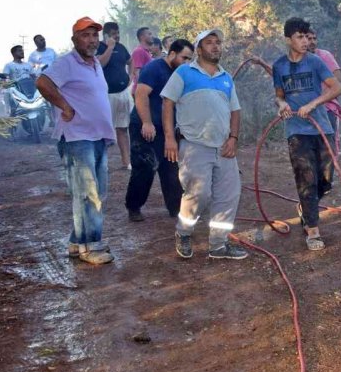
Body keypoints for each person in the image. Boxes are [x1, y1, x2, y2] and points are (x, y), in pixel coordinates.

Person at [36, 17, 116, 265]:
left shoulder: (94, 64)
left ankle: (76, 242)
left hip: (97, 136)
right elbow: (42, 82)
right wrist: (64, 106)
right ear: (74, 39)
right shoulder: (67, 63)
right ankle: (89, 247)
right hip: (77, 137)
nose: (92, 40)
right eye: (86, 35)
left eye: (95, 35)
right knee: (87, 193)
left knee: (97, 191)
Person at [161, 29, 247, 260]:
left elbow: (235, 111)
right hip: (194, 145)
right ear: (199, 49)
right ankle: (184, 232)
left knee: (229, 195)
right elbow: (167, 103)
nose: (215, 46)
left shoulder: (226, 78)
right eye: (209, 43)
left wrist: (233, 138)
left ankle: (218, 245)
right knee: (199, 194)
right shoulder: (184, 73)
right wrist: (169, 138)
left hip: (224, 147)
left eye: (218, 42)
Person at [273, 17, 341, 251]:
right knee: (306, 178)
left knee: (325, 179)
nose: (305, 41)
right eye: (299, 37)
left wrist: (313, 104)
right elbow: (279, 95)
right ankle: (312, 230)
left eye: (306, 37)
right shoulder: (279, 66)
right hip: (296, 130)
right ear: (288, 39)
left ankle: (306, 207)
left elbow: (337, 88)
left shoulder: (315, 62)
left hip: (322, 127)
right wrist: (282, 105)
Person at [124, 39, 194, 221]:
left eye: (190, 59)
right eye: (184, 57)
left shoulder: (182, 74)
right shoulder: (154, 68)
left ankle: (176, 209)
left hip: (167, 129)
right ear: (172, 54)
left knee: (170, 168)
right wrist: (147, 123)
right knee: (145, 168)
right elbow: (140, 94)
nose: (187, 62)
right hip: (145, 127)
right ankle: (134, 207)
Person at [95, 22, 132, 170]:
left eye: (118, 33)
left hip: (122, 93)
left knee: (122, 128)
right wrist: (109, 47)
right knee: (103, 130)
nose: (117, 36)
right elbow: (100, 64)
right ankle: (101, 164)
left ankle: (126, 161)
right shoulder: (99, 47)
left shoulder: (122, 47)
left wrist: (131, 75)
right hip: (105, 95)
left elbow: (130, 61)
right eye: (114, 33)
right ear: (106, 35)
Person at [306, 27, 341, 149]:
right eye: (308, 38)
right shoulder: (298, 60)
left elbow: (338, 77)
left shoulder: (324, 55)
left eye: (314, 39)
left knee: (328, 147)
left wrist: (322, 96)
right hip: (308, 111)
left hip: (327, 109)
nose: (312, 41)